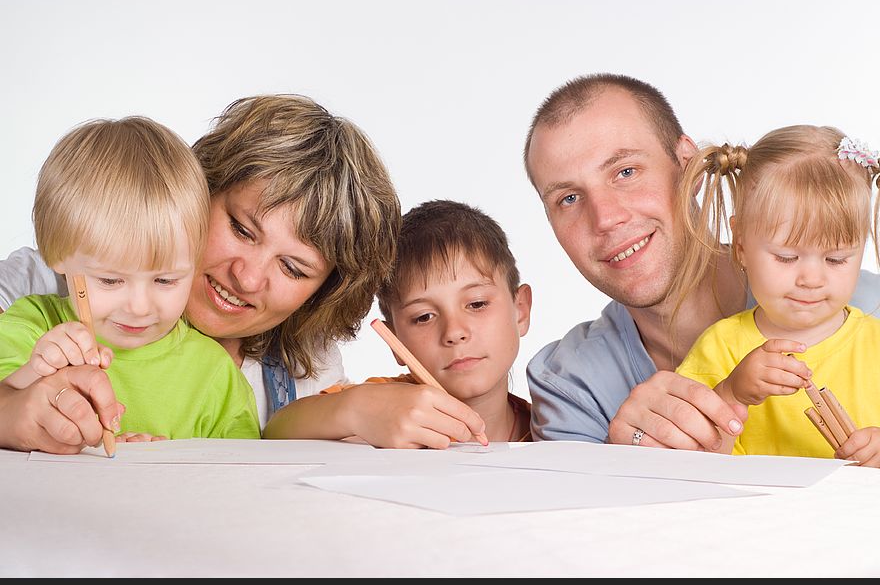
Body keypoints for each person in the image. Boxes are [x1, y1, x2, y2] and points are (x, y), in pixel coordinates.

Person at [0, 94, 413, 453]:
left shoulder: (305, 366)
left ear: (325, 292)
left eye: (292, 267)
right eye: (241, 229)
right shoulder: (44, 284)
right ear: (201, 191)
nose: (246, 278)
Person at [523, 73, 880, 449]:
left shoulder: (871, 310)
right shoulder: (568, 385)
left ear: (687, 165)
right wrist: (623, 464)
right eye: (568, 199)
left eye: (626, 172)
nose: (606, 218)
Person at [0, 117, 260, 441]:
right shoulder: (29, 329)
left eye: (165, 281)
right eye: (110, 280)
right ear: (55, 254)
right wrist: (30, 377)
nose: (139, 308)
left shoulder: (215, 376)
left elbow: (243, 481)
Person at [674, 126, 880, 466]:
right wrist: (732, 393)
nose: (811, 279)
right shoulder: (720, 347)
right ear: (741, 246)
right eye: (787, 257)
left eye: (836, 259)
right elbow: (688, 462)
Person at [263, 200, 531, 446]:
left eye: (476, 304)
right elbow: (276, 429)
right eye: (423, 317)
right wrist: (355, 409)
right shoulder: (382, 407)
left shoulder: (556, 424)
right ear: (396, 341)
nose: (454, 332)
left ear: (520, 311)